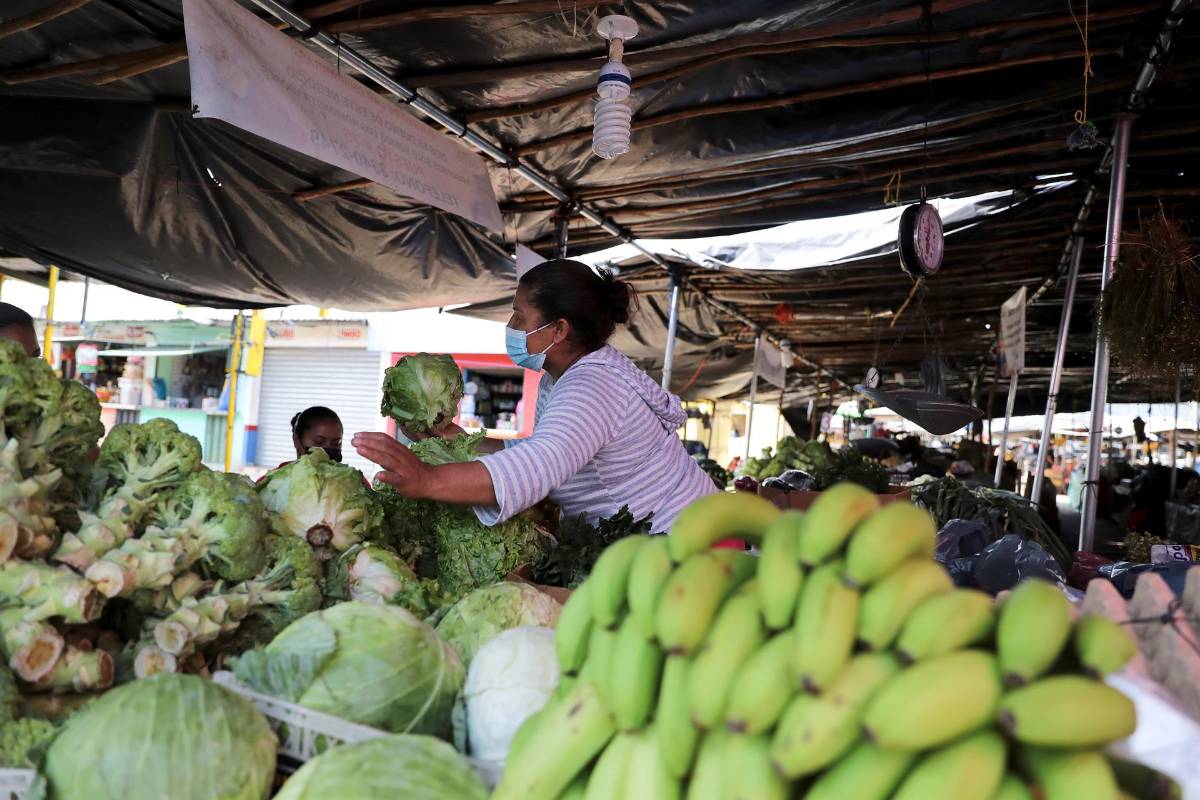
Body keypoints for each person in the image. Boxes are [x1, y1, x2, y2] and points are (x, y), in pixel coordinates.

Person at [354, 259, 717, 532]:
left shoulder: (592, 388)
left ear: (558, 329)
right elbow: (541, 449)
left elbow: (539, 465)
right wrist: (460, 440)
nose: (510, 327)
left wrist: (428, 480)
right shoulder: (561, 377)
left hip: (685, 541)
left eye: (519, 317)